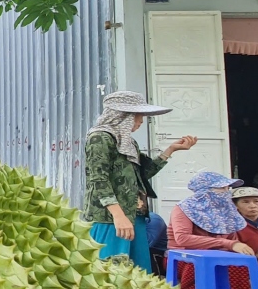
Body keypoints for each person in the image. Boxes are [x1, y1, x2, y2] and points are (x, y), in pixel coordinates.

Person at [82, 91, 198, 270]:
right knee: (110, 270)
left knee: (138, 272)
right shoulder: (100, 138)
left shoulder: (128, 142)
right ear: (123, 116)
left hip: (135, 214)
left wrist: (170, 150)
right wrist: (118, 216)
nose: (141, 122)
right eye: (138, 117)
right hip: (110, 217)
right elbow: (98, 179)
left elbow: (141, 175)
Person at [167, 171, 255, 289]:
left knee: (238, 263)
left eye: (227, 188)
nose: (226, 192)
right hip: (184, 257)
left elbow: (232, 240)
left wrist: (234, 247)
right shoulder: (183, 208)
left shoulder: (227, 210)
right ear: (204, 191)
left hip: (217, 256)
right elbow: (183, 239)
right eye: (221, 188)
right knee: (206, 263)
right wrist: (227, 244)